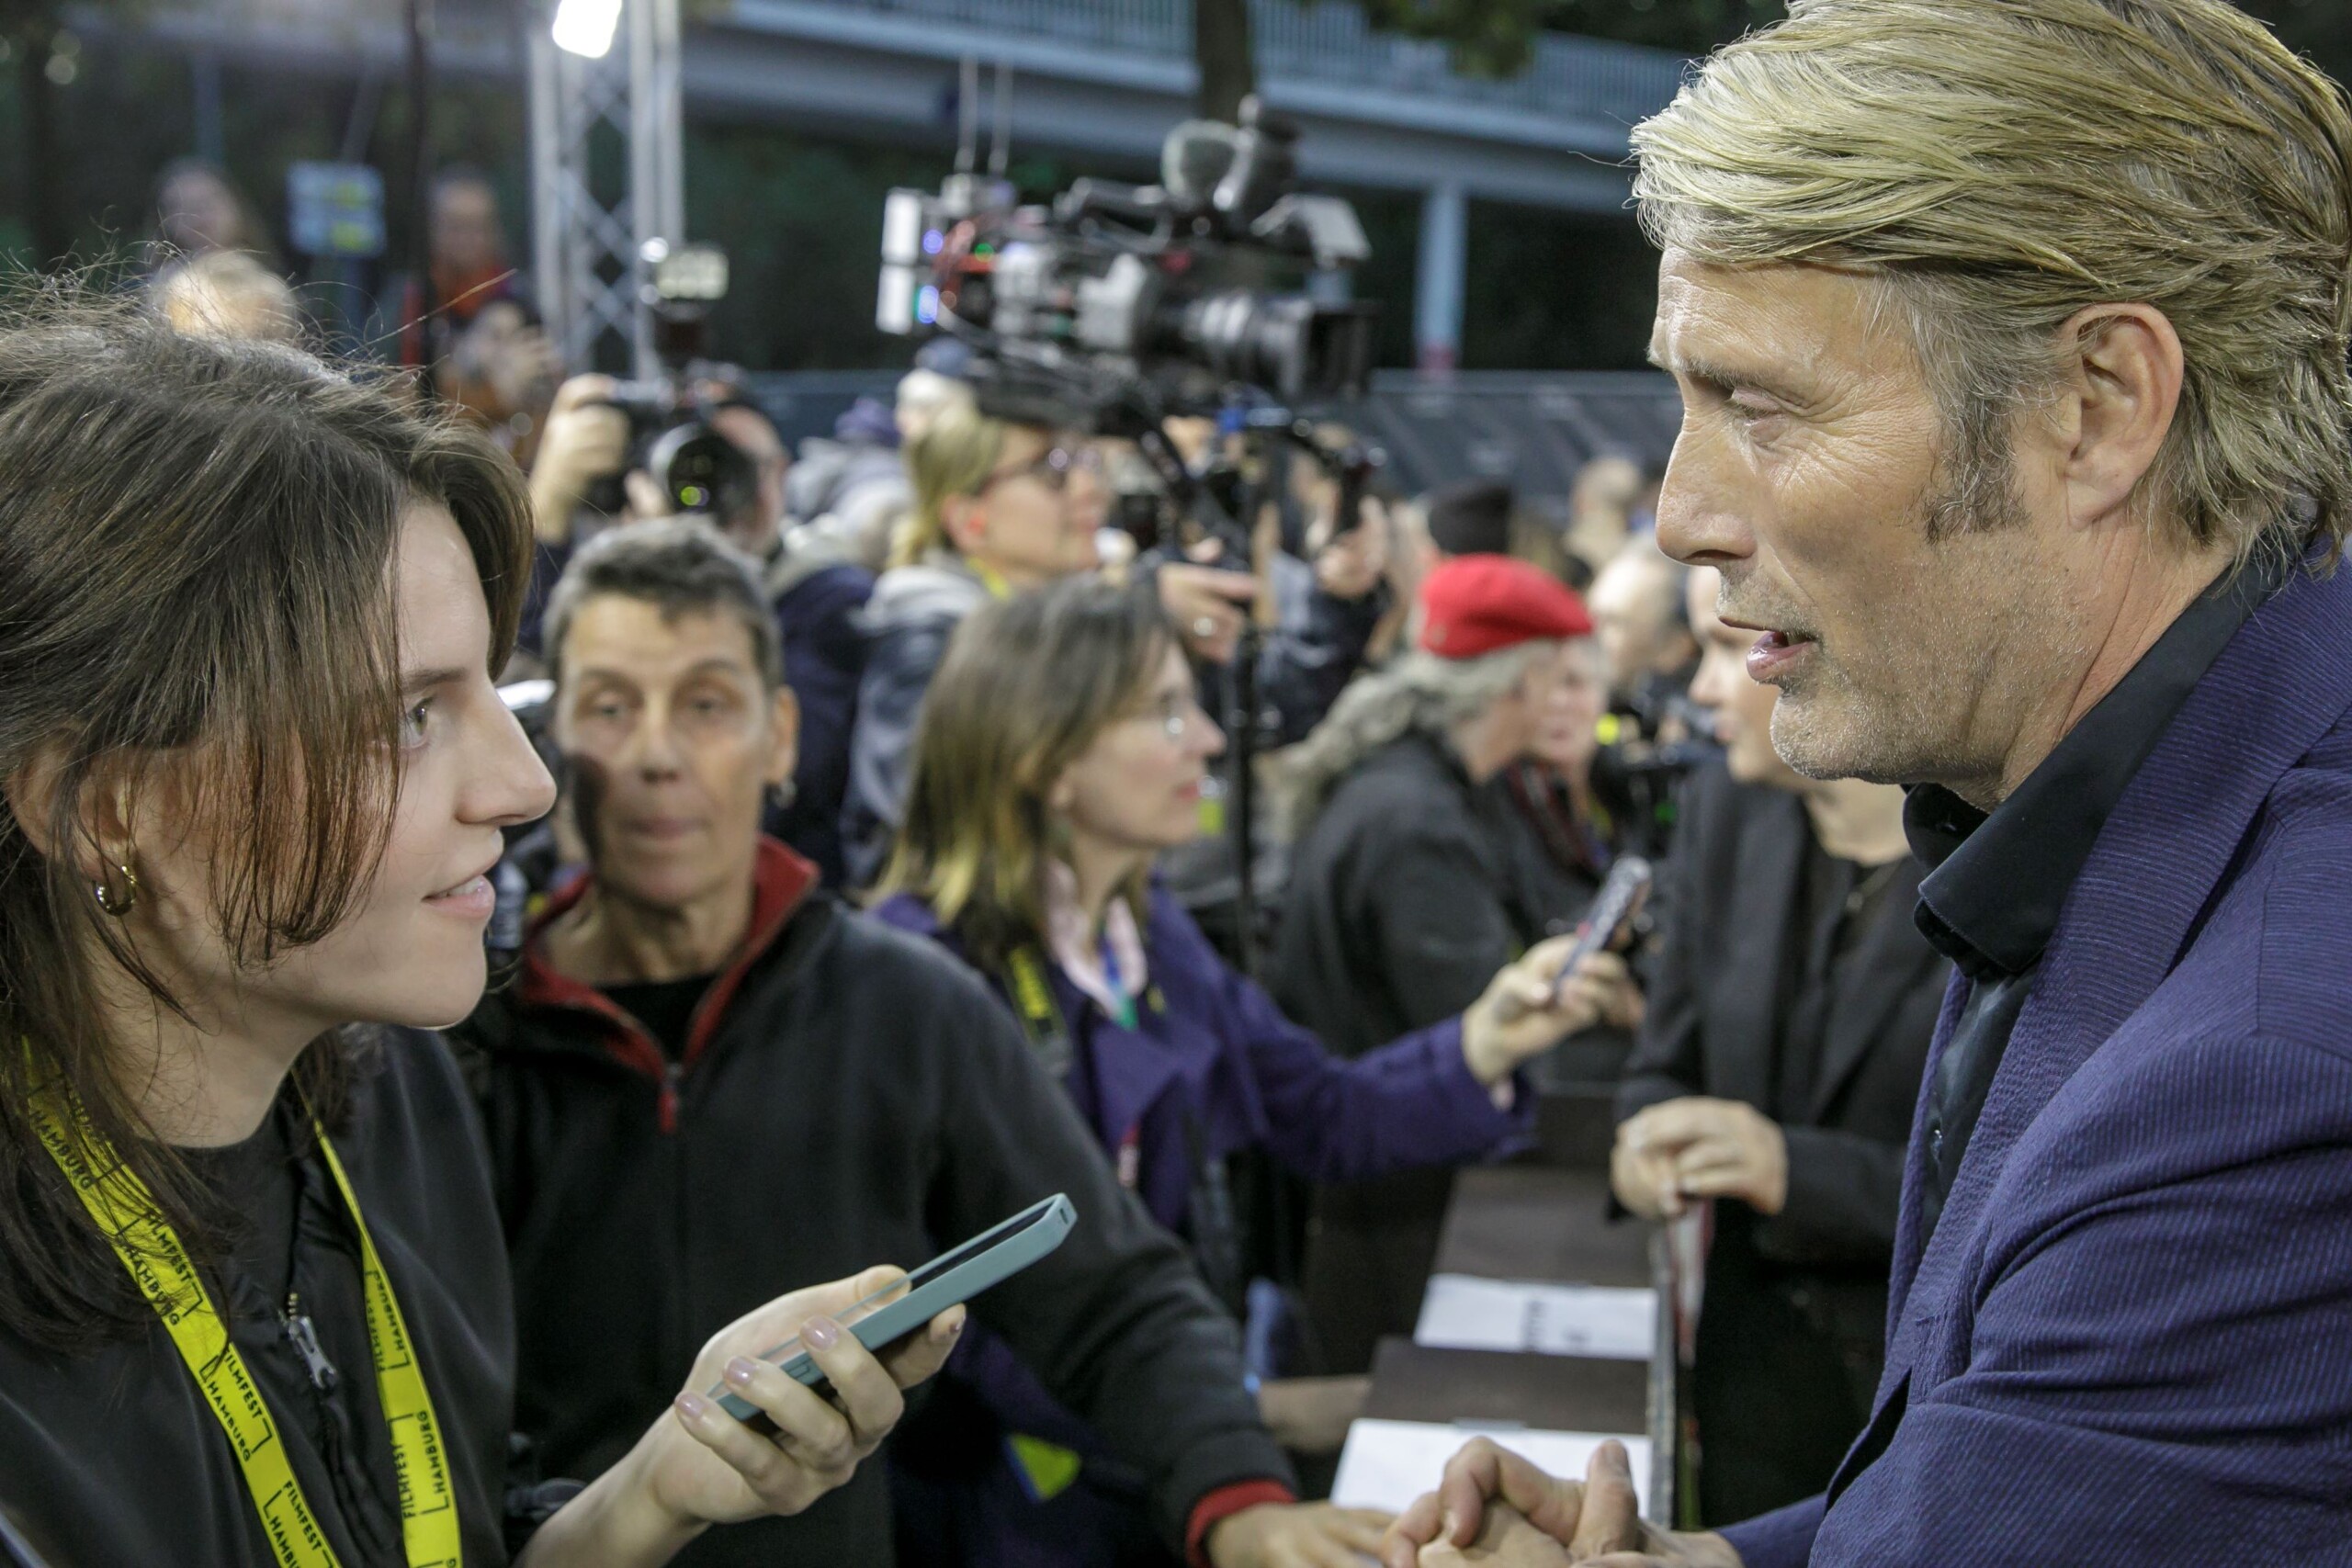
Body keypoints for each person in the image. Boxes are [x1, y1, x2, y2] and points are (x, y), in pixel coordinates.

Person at [1388, 1, 2352, 1564]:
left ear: (2099, 406)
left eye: (1761, 406)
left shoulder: (2268, 1067)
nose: (1682, 516)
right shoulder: (2132, 825)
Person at [0, 304, 957, 1567]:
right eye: (407, 716)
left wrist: (657, 1485)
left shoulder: (393, 1100)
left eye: (488, 694)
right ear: (108, 806)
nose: (527, 783)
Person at [457, 520, 1320, 1568]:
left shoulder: (905, 1006)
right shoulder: (468, 1043)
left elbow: (1112, 1292)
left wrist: (1241, 1500)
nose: (654, 754)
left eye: (706, 704)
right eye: (608, 707)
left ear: (781, 737)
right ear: (554, 743)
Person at [871, 574, 1626, 1564]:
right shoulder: (916, 978)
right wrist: (1239, 1416)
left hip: (1160, 1460)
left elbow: (1318, 1111)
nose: (1210, 741)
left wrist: (1484, 1040)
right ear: (1046, 760)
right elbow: (958, 1317)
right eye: (1165, 713)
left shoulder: (1149, 932)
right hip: (1007, 1504)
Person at [1610, 564, 1947, 1523]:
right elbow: (1661, 1068)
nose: (1706, 690)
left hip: (1919, 1390)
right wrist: (1643, 1147)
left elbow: (2005, 1193)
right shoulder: (1726, 813)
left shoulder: (1998, 859)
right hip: (1749, 1366)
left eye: (1731, 650)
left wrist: (1788, 1167)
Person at [1272, 556, 1646, 1372]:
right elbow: (1470, 1029)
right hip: (1383, 1200)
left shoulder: (1433, 785)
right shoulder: (1417, 823)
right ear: (1525, 684)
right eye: (1564, 676)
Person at [841, 396, 1110, 887]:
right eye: (1051, 470)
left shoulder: (1064, 622)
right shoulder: (924, 651)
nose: (1089, 488)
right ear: (969, 520)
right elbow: (941, 826)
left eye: (1083, 460)